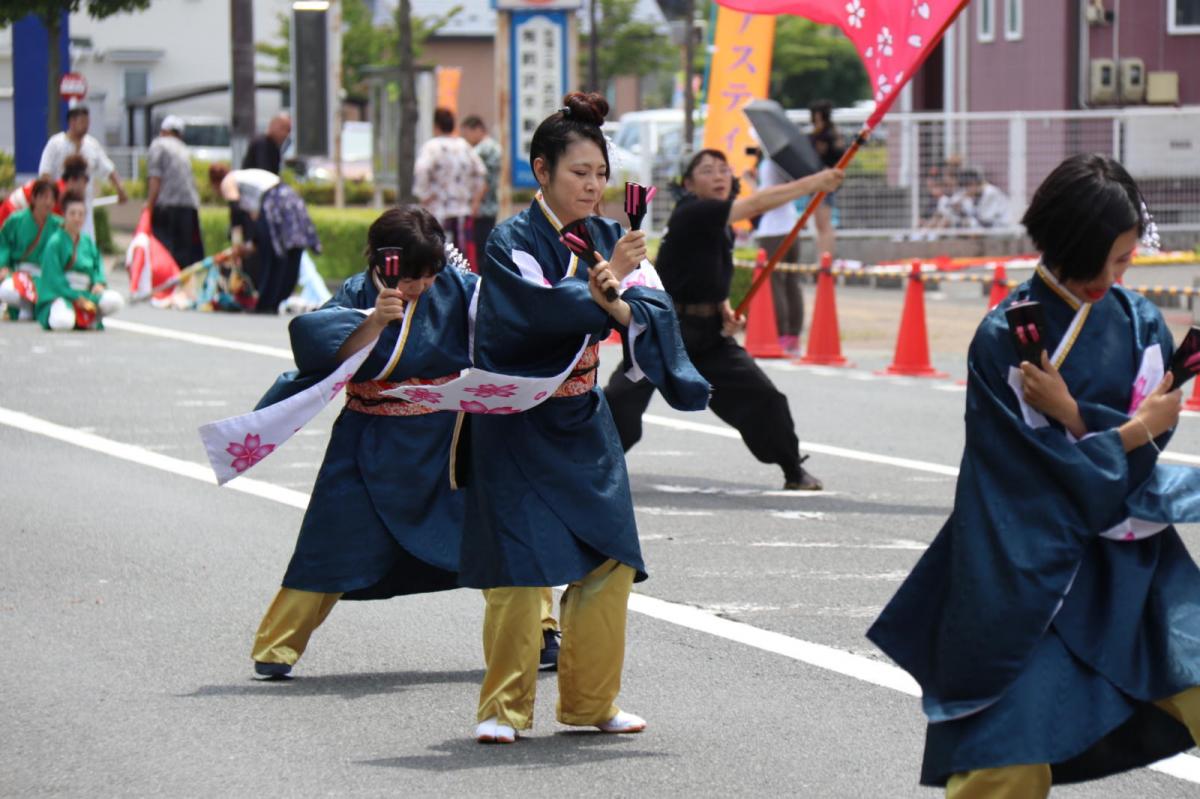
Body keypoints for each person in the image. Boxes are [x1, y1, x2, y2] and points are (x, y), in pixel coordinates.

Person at [867, 154, 1200, 797]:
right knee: (1004, 760)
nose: (1113, 276)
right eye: (1104, 259)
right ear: (1066, 244)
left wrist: (1076, 415)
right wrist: (1127, 429)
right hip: (1024, 563)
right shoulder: (1006, 337)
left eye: (1126, 260)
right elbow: (1029, 472)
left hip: (1128, 559)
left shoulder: (1142, 323)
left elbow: (1152, 445)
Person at [462, 92, 709, 744]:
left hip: (580, 417)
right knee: (519, 570)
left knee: (611, 560)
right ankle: (503, 708)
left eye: (601, 173)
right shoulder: (512, 240)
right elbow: (528, 316)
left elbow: (654, 312)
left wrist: (623, 304)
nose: (593, 185)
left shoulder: (612, 237)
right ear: (541, 171)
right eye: (579, 172)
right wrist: (601, 288)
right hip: (517, 420)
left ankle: (590, 702)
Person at [603, 148, 843, 491]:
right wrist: (815, 183)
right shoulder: (692, 212)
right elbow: (757, 205)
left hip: (709, 335)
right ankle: (589, 463)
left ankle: (792, 467)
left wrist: (723, 306)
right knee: (622, 399)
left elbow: (705, 271)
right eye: (707, 170)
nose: (718, 176)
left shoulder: (721, 225)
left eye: (723, 169)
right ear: (688, 184)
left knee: (763, 398)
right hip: (666, 331)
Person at [207, 163, 320, 314]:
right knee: (291, 251)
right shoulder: (247, 182)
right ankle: (275, 300)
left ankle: (266, 302)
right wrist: (253, 242)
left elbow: (235, 212)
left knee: (272, 255)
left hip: (273, 201)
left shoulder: (228, 180)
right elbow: (256, 222)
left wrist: (237, 244)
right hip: (289, 197)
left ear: (215, 182)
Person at [35, 191, 123, 331]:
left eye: (81, 214)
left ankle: (88, 317)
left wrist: (98, 282)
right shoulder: (55, 242)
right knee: (62, 323)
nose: (77, 218)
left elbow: (97, 265)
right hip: (63, 294)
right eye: (73, 213)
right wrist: (75, 297)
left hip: (86, 292)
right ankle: (77, 317)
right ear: (64, 215)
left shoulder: (87, 241)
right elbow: (53, 278)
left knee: (115, 300)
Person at [38, 104, 128, 240]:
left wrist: (120, 189)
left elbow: (109, 168)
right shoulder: (55, 144)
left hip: (84, 208)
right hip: (60, 207)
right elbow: (45, 174)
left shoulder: (92, 145)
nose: (86, 126)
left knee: (85, 245)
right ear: (72, 122)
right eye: (82, 122)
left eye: (87, 122)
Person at [413, 107, 485, 256]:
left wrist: (424, 194)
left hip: (438, 210)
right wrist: (474, 200)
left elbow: (421, 169)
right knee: (461, 258)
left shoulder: (431, 147)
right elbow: (480, 173)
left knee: (437, 255)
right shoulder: (464, 146)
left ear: (436, 126)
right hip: (462, 211)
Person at [754, 155, 806, 356]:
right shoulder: (787, 162)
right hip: (792, 226)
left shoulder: (769, 162)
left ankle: (781, 333)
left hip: (773, 230)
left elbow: (767, 199)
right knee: (792, 281)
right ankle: (793, 335)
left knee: (774, 282)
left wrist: (753, 184)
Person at [146, 115, 205, 269]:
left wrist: (149, 205)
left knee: (164, 252)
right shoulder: (183, 148)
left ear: (163, 131)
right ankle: (183, 289)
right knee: (184, 257)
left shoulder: (159, 144)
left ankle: (166, 289)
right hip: (189, 208)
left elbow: (155, 177)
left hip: (166, 207)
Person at [0, 178, 63, 321]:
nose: (48, 203)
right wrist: (3, 266)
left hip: (46, 276)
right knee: (5, 290)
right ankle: (28, 307)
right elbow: (3, 244)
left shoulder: (59, 225)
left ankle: (31, 308)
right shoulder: (16, 220)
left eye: (52, 199)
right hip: (21, 274)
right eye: (44, 197)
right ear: (34, 198)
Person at [0, 154, 88, 228]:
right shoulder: (60, 194)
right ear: (72, 180)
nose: (85, 186)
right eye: (84, 181)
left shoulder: (61, 189)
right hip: (11, 212)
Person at [459, 115, 500, 268]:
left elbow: (484, 181)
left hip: (482, 208)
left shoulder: (483, 149)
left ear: (477, 129)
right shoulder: (492, 147)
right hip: (489, 206)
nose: (466, 138)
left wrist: (475, 204)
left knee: (479, 250)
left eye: (466, 133)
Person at [807, 100, 845, 258]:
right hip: (821, 182)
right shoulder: (831, 134)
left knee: (823, 225)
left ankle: (825, 259)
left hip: (823, 182)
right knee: (821, 224)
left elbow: (834, 156)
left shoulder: (825, 136)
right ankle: (824, 257)